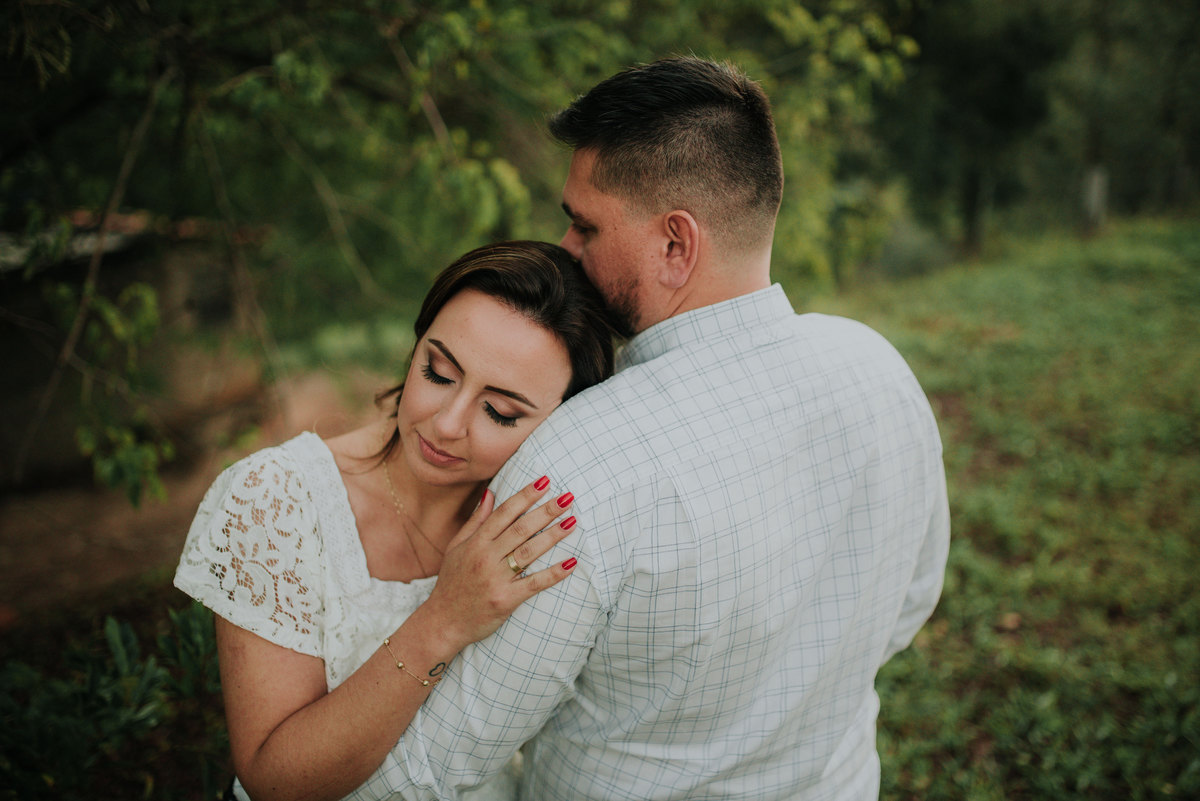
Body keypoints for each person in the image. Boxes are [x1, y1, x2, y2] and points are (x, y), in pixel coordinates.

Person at [359, 57, 951, 800]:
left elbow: (438, 762)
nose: (565, 248)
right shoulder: (877, 366)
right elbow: (910, 604)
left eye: (585, 225)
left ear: (676, 244)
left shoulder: (579, 462)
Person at [173, 241, 619, 801]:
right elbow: (274, 779)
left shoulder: (538, 529)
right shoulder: (274, 501)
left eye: (499, 411)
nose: (448, 424)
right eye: (439, 372)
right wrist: (444, 619)